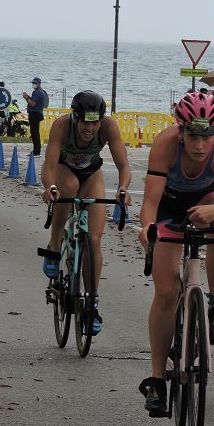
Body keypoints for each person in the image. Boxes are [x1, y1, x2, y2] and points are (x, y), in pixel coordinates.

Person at [137, 92, 214, 417]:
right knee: (167, 292)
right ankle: (157, 379)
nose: (199, 145)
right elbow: (150, 206)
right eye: (193, 136)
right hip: (170, 204)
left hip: (209, 199)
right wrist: (148, 229)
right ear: (180, 130)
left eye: (207, 136)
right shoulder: (165, 145)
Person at [41, 90, 132, 336]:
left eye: (95, 122)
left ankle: (91, 303)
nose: (90, 128)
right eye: (85, 122)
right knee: (68, 188)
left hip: (92, 173)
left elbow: (123, 164)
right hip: (64, 169)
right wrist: (49, 188)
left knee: (94, 240)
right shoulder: (62, 126)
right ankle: (55, 242)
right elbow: (48, 166)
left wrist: (123, 189)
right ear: (76, 117)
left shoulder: (108, 127)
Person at [23, 77, 49, 156]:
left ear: (39, 84)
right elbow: (33, 101)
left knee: (35, 133)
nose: (33, 85)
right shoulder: (37, 92)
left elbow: (33, 104)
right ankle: (36, 150)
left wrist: (27, 98)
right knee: (34, 133)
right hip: (35, 113)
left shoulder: (39, 92)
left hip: (35, 114)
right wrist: (28, 97)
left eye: (35, 83)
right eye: (33, 83)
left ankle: (37, 151)